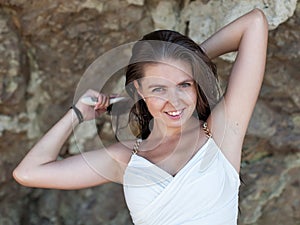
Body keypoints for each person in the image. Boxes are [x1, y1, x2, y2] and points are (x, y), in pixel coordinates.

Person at [13, 8, 268, 225]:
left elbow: (255, 23)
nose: (175, 101)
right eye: (158, 88)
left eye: (184, 84)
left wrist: (188, 60)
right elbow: (29, 172)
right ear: (138, 90)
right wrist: (77, 114)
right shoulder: (125, 159)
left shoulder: (223, 132)